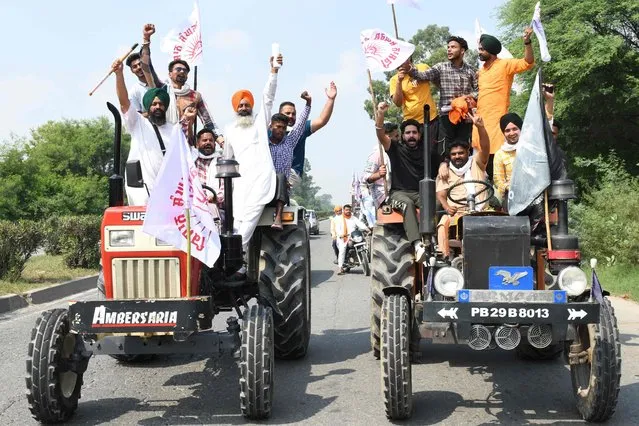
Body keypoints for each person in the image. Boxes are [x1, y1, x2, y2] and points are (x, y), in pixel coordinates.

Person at [222, 54, 283, 278]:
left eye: (247, 104)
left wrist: (273, 72)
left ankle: (236, 262)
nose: (245, 107)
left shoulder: (259, 122)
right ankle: (233, 260)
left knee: (247, 220)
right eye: (241, 105)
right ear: (235, 108)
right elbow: (227, 159)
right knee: (235, 221)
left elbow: (268, 96)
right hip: (239, 185)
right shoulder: (230, 130)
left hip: (261, 180)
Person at [112, 58, 194, 206]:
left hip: (169, 192)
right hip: (142, 191)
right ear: (148, 107)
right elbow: (124, 102)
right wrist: (119, 75)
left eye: (161, 104)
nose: (158, 107)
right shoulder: (138, 123)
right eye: (154, 104)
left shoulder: (174, 130)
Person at [473, 28, 535, 178]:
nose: (479, 52)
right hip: (479, 123)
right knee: (479, 168)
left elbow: (528, 62)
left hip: (496, 124)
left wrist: (527, 42)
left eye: (481, 49)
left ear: (490, 50)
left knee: (496, 166)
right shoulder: (480, 71)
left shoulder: (505, 65)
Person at [375, 102, 428, 263]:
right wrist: (381, 114)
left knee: (435, 205)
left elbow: (442, 163)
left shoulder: (427, 152)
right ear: (402, 135)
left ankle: (432, 241)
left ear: (419, 135)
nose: (411, 135)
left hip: (420, 193)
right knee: (407, 204)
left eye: (414, 132)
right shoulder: (395, 148)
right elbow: (380, 134)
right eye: (408, 133)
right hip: (399, 193)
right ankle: (418, 244)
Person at [436, 113, 491, 258]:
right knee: (442, 224)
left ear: (468, 152)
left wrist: (480, 127)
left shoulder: (477, 163)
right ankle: (445, 259)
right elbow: (441, 194)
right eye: (453, 154)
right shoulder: (445, 170)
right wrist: (447, 207)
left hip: (481, 211)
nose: (457, 156)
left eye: (461, 153)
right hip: (457, 213)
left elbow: (485, 148)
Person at [407, 36, 478, 147]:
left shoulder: (471, 70)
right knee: (445, 151)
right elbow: (422, 75)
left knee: (463, 149)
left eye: (453, 47)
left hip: (465, 117)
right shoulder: (440, 67)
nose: (449, 49)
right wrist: (409, 69)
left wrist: (468, 97)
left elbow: (480, 91)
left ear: (462, 50)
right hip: (446, 116)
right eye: (448, 47)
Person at [279, 81, 337, 185]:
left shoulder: (300, 130)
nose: (291, 116)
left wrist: (330, 99)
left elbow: (321, 120)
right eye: (287, 113)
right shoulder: (270, 131)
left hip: (292, 174)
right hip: (274, 172)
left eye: (294, 114)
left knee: (279, 190)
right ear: (279, 115)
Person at [268, 92, 311, 229]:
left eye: (283, 128)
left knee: (280, 177)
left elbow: (301, 124)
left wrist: (308, 104)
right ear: (271, 127)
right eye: (278, 127)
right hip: (263, 186)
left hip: (281, 191)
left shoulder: (290, 141)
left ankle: (278, 218)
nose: (280, 130)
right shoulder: (263, 144)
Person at [392, 56, 439, 177]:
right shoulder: (394, 79)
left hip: (431, 119)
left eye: (402, 59)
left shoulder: (423, 67)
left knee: (433, 152)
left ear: (409, 59)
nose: (400, 64)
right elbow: (397, 103)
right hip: (411, 124)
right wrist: (399, 81)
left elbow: (437, 81)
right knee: (414, 155)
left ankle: (434, 180)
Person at [362, 123, 395, 222]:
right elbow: (365, 177)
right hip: (384, 197)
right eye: (396, 136)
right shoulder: (377, 155)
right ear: (387, 137)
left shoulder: (397, 151)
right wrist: (379, 174)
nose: (399, 139)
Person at [126, 24, 162, 113]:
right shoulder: (134, 92)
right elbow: (137, 118)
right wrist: (154, 112)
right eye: (134, 67)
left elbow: (145, 56)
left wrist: (146, 38)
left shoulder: (162, 84)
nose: (139, 68)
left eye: (140, 64)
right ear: (132, 71)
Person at [192, 128, 225, 228]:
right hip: (195, 207)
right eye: (204, 140)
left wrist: (215, 197)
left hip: (216, 207)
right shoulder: (192, 161)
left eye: (211, 140)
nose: (208, 143)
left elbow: (225, 186)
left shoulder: (221, 161)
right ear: (198, 144)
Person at [492, 113, 523, 204]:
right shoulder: (500, 154)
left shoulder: (529, 149)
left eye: (515, 129)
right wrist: (510, 187)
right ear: (503, 133)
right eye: (507, 130)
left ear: (520, 129)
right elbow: (498, 181)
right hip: (512, 197)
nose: (512, 133)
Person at [333, 203, 370, 275]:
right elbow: (337, 228)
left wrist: (366, 228)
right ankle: (340, 268)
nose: (348, 211)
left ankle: (363, 257)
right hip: (343, 238)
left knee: (362, 242)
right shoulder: (340, 219)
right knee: (342, 250)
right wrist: (340, 234)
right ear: (343, 210)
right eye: (346, 210)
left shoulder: (353, 218)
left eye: (349, 210)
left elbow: (360, 224)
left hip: (353, 236)